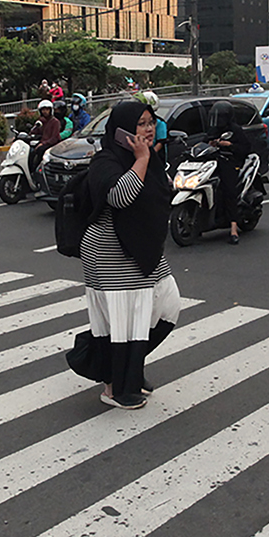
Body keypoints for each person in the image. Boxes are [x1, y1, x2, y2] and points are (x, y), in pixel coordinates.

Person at [82, 99, 182, 410]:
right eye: (140, 124)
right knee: (122, 323)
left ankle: (130, 370)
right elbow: (120, 196)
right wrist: (140, 159)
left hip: (143, 250)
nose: (149, 128)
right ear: (123, 130)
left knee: (168, 306)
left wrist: (146, 159)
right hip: (110, 253)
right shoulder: (106, 161)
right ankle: (115, 387)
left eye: (151, 122)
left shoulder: (150, 158)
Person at [206, 101, 255, 244]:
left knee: (229, 191)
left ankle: (233, 229)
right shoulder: (212, 129)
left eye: (220, 116)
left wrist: (230, 145)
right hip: (214, 161)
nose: (217, 119)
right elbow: (205, 141)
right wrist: (210, 144)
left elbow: (245, 148)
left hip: (230, 162)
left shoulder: (235, 130)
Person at [32, 100, 61, 173]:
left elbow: (54, 138)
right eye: (43, 110)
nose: (45, 111)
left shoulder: (55, 122)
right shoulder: (42, 121)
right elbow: (34, 132)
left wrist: (43, 143)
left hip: (51, 144)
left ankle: (37, 170)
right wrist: (36, 126)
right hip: (43, 143)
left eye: (47, 109)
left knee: (40, 150)